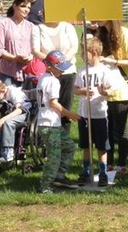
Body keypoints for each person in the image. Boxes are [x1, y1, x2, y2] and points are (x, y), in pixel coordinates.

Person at [94, 20, 128, 176]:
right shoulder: (99, 34)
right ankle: (108, 164)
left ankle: (122, 164)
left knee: (120, 129)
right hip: (102, 91)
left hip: (120, 90)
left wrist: (114, 61)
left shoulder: (125, 33)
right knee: (105, 130)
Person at [36, 50, 80, 194]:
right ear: (49, 66)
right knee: (54, 156)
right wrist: (70, 114)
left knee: (69, 147)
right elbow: (54, 103)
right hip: (49, 124)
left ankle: (59, 176)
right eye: (59, 67)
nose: (62, 70)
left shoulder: (43, 78)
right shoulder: (53, 81)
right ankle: (45, 186)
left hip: (49, 123)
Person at [75, 38, 115, 187]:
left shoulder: (105, 70)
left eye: (84, 53)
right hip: (84, 114)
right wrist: (82, 91)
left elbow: (111, 90)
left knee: (101, 145)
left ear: (94, 53)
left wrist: (103, 91)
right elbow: (75, 89)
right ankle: (86, 171)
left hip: (99, 113)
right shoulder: (82, 70)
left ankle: (103, 171)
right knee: (86, 144)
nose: (82, 56)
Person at [0, 78, 31, 167]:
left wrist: (3, 119)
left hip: (24, 114)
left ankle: (8, 150)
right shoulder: (2, 94)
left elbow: (19, 110)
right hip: (12, 114)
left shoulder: (13, 92)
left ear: (3, 90)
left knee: (7, 122)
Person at [0, 0, 34, 87]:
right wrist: (15, 58)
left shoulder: (31, 26)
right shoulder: (3, 23)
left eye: (28, 8)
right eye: (23, 6)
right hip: (7, 73)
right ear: (15, 6)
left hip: (27, 73)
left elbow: (34, 49)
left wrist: (30, 57)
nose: (26, 10)